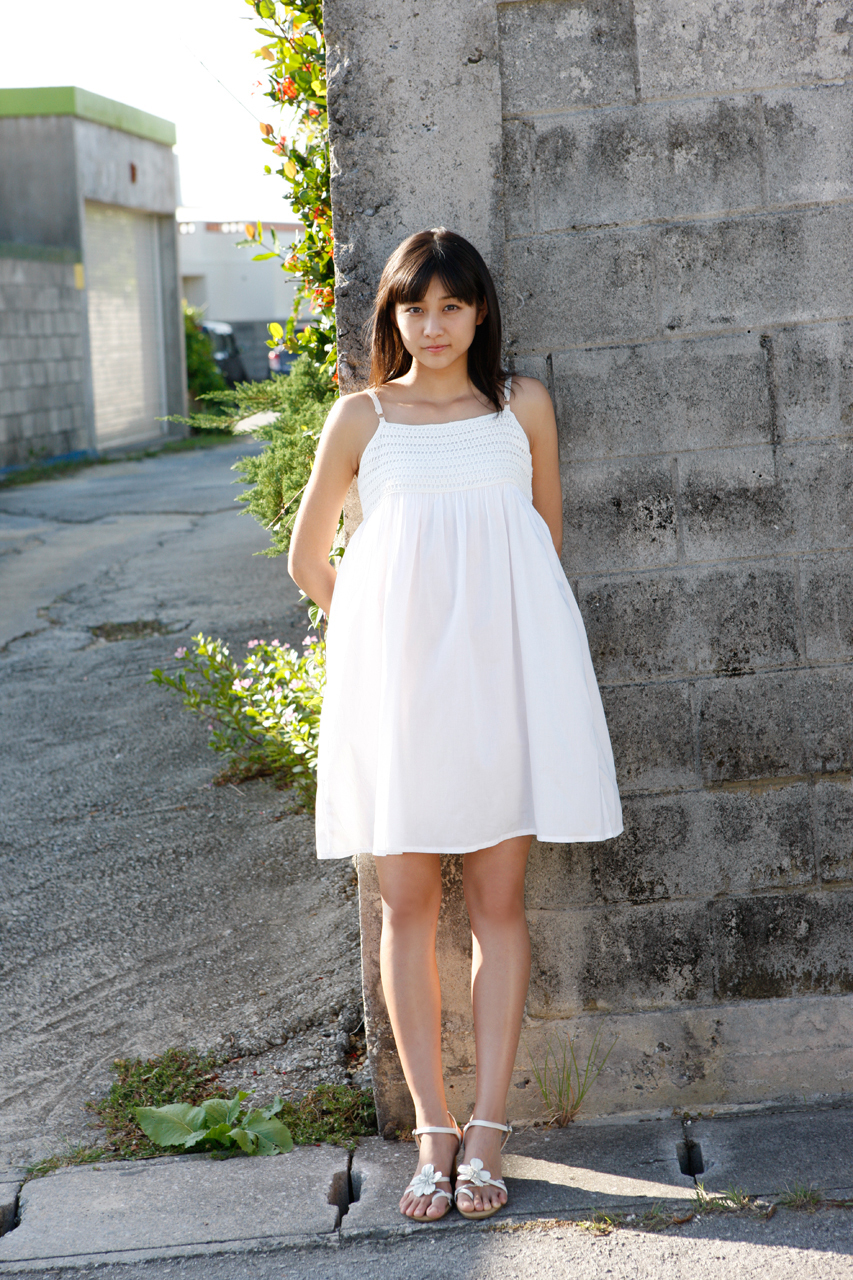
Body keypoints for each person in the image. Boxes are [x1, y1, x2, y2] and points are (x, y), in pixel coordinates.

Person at [288, 228, 622, 1222]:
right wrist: (385, 641)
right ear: (390, 317)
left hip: (502, 684)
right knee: (404, 906)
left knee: (496, 903)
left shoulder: (522, 407)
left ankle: (486, 1132)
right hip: (399, 694)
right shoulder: (361, 417)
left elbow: (542, 539)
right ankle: (431, 1132)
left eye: (450, 307)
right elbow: (310, 561)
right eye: (413, 307)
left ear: (479, 313)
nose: (431, 326)